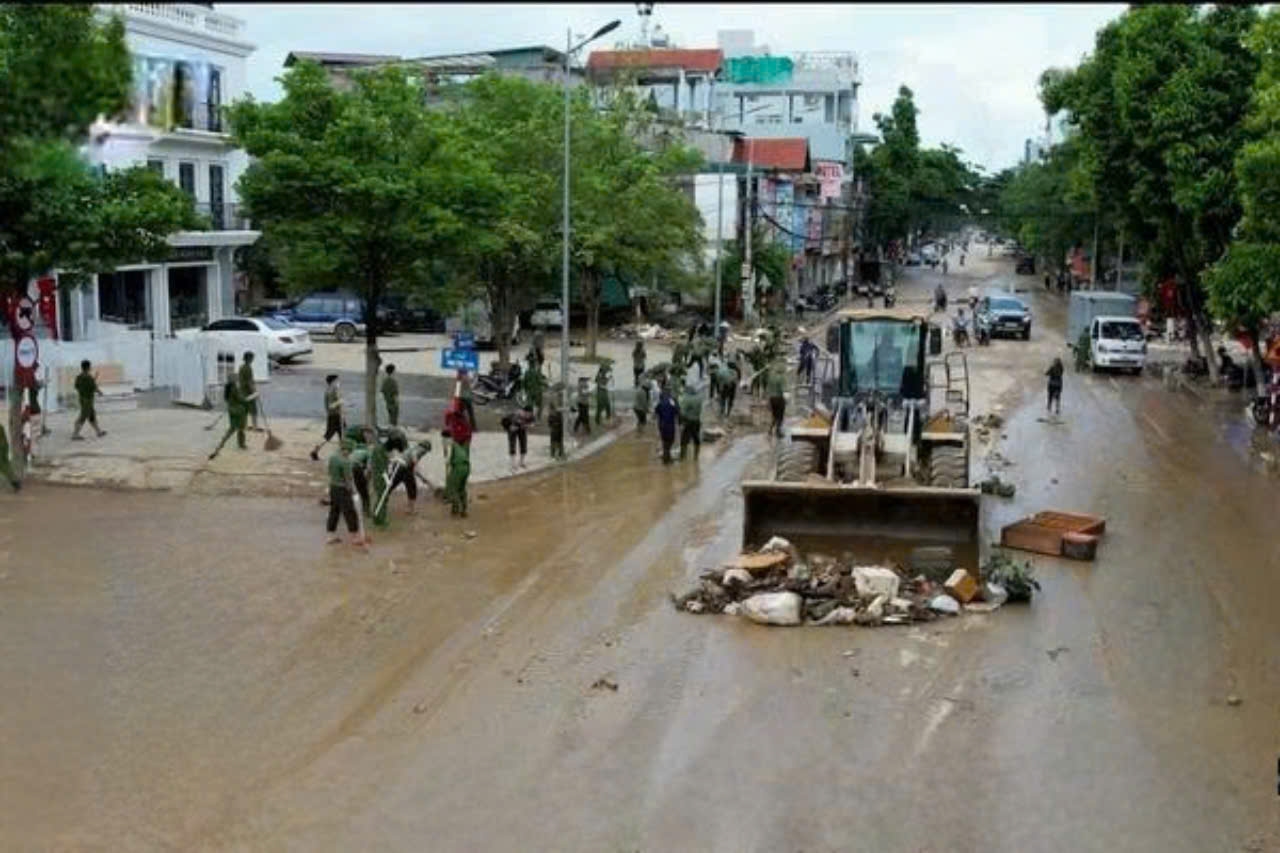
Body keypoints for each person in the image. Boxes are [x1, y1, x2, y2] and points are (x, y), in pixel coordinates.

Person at [325, 439, 365, 546]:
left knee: (334, 511)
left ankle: (330, 536)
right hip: (342, 489)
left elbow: (329, 472)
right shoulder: (345, 461)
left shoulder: (333, 457)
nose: (350, 454)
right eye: (350, 451)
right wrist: (353, 491)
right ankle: (354, 538)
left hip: (333, 487)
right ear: (346, 449)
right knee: (350, 512)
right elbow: (348, 480)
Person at [209, 375, 251, 460]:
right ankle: (219, 447)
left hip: (232, 411)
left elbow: (229, 399)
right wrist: (250, 397)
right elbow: (241, 399)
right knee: (234, 429)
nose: (237, 379)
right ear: (233, 380)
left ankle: (241, 444)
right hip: (239, 411)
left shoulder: (227, 388)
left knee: (239, 428)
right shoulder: (234, 388)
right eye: (236, 378)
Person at [443, 403, 472, 518]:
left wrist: (449, 473)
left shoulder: (449, 444)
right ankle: (463, 509)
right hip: (467, 466)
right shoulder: (463, 422)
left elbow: (448, 461)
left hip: (458, 467)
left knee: (452, 488)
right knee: (461, 488)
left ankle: (457, 508)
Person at [310, 374, 345, 461]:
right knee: (341, 435)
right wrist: (340, 401)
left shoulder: (330, 390)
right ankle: (343, 455)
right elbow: (331, 406)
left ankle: (316, 451)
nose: (339, 383)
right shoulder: (332, 391)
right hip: (336, 416)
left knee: (336, 435)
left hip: (333, 415)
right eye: (337, 381)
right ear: (333, 382)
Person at [71, 360, 107, 440]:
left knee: (91, 416)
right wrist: (100, 392)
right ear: (88, 367)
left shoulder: (79, 377)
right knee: (82, 417)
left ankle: (98, 432)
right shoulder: (89, 377)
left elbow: (77, 387)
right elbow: (94, 388)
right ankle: (75, 434)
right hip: (88, 400)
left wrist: (91, 382)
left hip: (82, 399)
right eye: (90, 366)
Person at [501, 403, 535, 470]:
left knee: (524, 444)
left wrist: (530, 425)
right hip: (513, 429)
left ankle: (521, 462)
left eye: (530, 414)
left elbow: (533, 422)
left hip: (522, 429)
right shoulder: (514, 415)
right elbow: (503, 421)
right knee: (512, 445)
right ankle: (513, 464)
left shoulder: (531, 416)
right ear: (523, 411)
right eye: (527, 414)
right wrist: (509, 427)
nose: (528, 416)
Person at [678, 383, 703, 461]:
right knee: (696, 438)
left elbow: (683, 413)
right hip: (697, 421)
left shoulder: (687, 399)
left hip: (688, 422)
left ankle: (683, 457)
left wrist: (681, 421)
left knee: (684, 439)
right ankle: (696, 456)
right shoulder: (699, 398)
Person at [654, 388, 679, 464]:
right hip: (670, 425)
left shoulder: (660, 403)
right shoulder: (672, 403)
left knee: (665, 441)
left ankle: (667, 457)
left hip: (662, 425)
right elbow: (676, 411)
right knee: (669, 441)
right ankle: (666, 458)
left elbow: (656, 412)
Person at [239, 352, 260, 432]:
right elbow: (249, 382)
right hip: (248, 392)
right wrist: (255, 391)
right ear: (249, 358)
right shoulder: (248, 368)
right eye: (252, 358)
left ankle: (245, 426)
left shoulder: (241, 367)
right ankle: (255, 427)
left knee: (244, 410)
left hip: (242, 391)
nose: (253, 359)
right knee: (253, 410)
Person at [766, 365, 787, 439]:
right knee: (780, 416)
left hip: (772, 399)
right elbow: (783, 389)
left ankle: (770, 430)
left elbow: (767, 389)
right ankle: (778, 432)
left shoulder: (771, 377)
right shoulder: (782, 378)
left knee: (774, 415)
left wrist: (768, 400)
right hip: (779, 398)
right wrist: (786, 398)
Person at [381, 363, 400, 428]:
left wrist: (387, 399)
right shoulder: (393, 382)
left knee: (390, 419)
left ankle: (390, 430)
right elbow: (395, 394)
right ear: (393, 371)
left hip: (387, 403)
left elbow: (382, 391)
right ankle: (393, 432)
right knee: (394, 421)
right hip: (393, 403)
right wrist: (397, 404)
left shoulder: (385, 381)